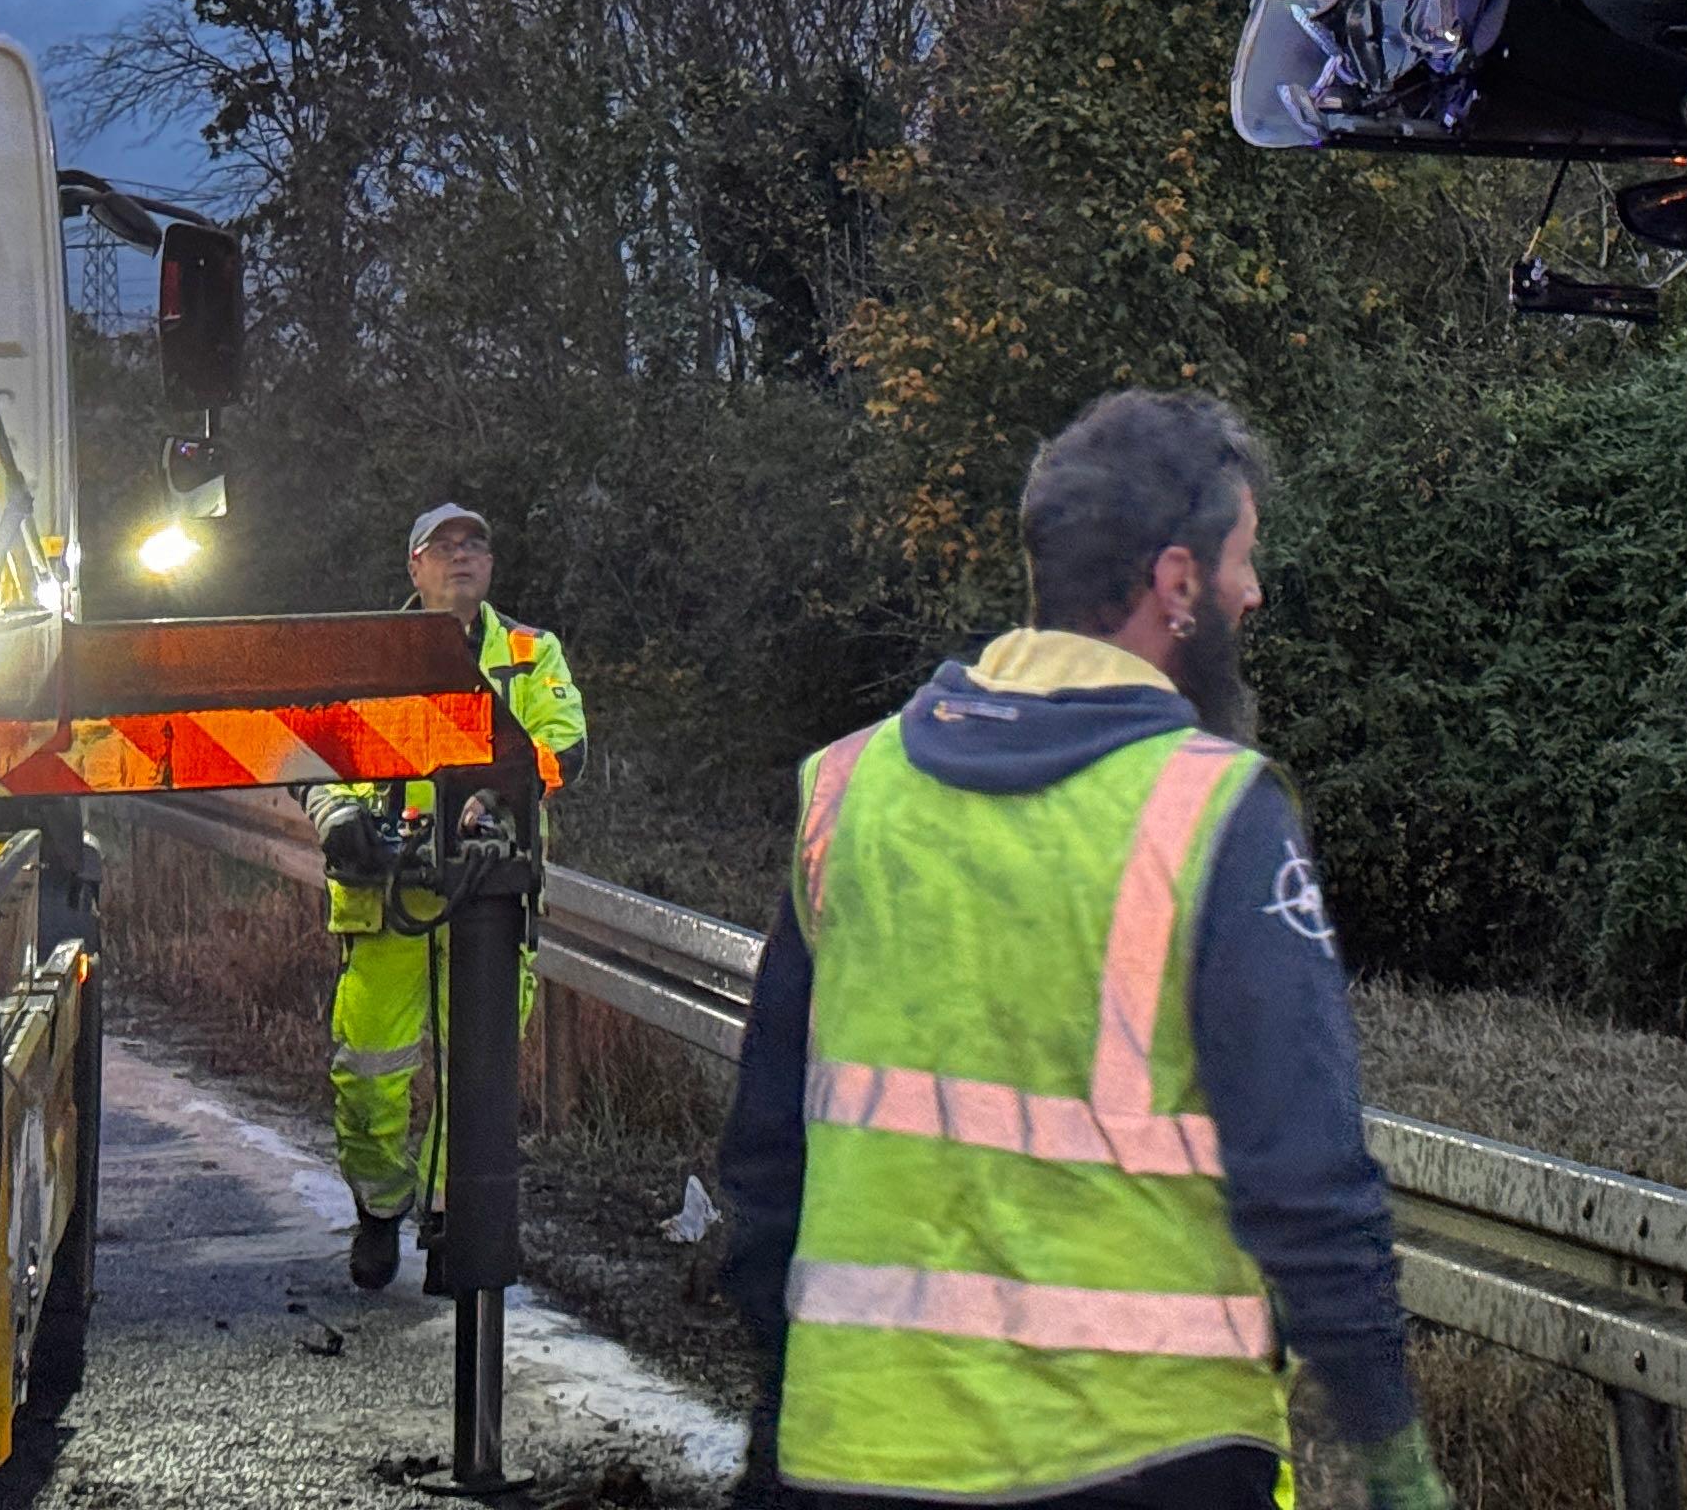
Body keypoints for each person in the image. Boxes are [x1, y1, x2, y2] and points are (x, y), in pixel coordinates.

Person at [715, 393, 1448, 1510]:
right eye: (1242, 561)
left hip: (854, 1451)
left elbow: (767, 1157)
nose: (1255, 591)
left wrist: (781, 1409)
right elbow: (1307, 1179)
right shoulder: (1213, 815)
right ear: (1176, 583)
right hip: (1149, 1460)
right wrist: (1390, 1451)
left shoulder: (851, 792)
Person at [306, 500, 588, 1291]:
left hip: (490, 900)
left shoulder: (532, 655)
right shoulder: (373, 658)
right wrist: (342, 820)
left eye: (476, 545)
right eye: (444, 546)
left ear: (491, 567)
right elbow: (320, 757)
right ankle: (379, 1206)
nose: (462, 557)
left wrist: (496, 794)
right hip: (388, 899)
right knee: (367, 1069)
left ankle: (447, 1214)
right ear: (415, 567)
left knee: (481, 1077)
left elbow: (563, 749)